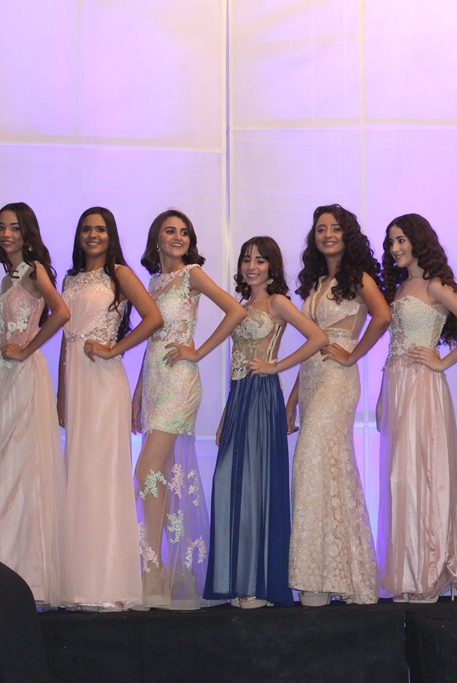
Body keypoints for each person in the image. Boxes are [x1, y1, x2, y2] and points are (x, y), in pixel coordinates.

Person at [132, 209, 247, 609]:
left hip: (180, 382)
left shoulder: (191, 274)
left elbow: (236, 311)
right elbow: (152, 341)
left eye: (184, 232)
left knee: (146, 471)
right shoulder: (154, 282)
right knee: (161, 476)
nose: (178, 237)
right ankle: (176, 574)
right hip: (154, 382)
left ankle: (155, 569)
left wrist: (198, 351)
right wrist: (138, 393)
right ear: (157, 238)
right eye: (170, 231)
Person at [204, 236, 327, 609]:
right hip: (240, 397)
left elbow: (318, 338)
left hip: (262, 396)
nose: (251, 266)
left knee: (258, 486)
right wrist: (226, 414)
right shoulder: (241, 306)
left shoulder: (277, 303)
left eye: (259, 260)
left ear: (272, 266)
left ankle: (259, 586)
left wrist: (276, 366)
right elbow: (236, 363)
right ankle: (242, 579)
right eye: (246, 259)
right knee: (230, 483)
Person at [376, 214, 457, 603]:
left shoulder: (436, 285)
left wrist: (442, 362)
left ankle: (431, 572)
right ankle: (408, 572)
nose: (395, 248)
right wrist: (382, 395)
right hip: (397, 383)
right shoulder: (400, 287)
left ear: (418, 240)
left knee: (426, 475)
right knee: (400, 478)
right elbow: (393, 345)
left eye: (401, 240)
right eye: (391, 242)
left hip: (423, 386)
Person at [58, 207, 163, 611]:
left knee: (103, 475)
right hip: (77, 383)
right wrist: (61, 393)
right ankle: (80, 582)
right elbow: (66, 340)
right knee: (78, 476)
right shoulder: (69, 279)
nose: (92, 235)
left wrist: (114, 348)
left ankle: (108, 583)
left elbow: (153, 318)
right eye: (86, 229)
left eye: (100, 229)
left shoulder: (119, 274)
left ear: (110, 235)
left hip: (103, 382)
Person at [286, 204, 391, 607]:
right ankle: (330, 574)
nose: (327, 234)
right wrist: (293, 398)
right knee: (321, 467)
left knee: (313, 462)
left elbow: (382, 317)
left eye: (334, 228)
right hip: (312, 377)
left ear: (347, 235)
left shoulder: (357, 277)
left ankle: (323, 576)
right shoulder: (317, 283)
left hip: (337, 379)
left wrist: (353, 355)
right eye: (320, 229)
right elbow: (310, 344)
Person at [0, 202, 69, 608]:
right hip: (3, 379)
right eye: (1, 227)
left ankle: (27, 583)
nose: (6, 234)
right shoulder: (8, 278)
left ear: (27, 232)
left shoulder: (35, 271)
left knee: (19, 474)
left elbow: (61, 313)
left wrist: (27, 349)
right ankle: (3, 575)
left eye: (14, 227)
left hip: (24, 378)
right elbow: (9, 326)